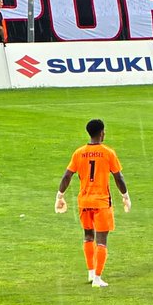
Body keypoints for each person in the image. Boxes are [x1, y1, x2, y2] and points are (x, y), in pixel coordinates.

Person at [55, 119, 131, 288]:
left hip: (84, 202)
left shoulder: (79, 153)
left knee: (88, 236)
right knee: (101, 240)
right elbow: (118, 177)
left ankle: (90, 272)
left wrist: (59, 196)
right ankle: (97, 278)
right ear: (101, 132)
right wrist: (125, 196)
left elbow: (67, 176)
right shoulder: (108, 152)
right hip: (101, 202)